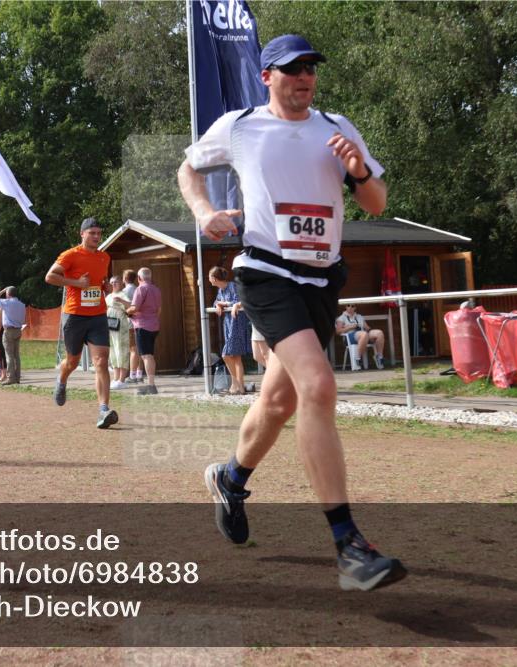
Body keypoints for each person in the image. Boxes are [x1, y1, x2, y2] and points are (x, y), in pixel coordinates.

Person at [177, 34, 405, 591]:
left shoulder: (337, 127)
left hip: (322, 280)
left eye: (311, 68)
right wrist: (204, 212)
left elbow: (376, 201)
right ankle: (349, 545)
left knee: (279, 402)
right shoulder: (240, 126)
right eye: (292, 69)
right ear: (267, 77)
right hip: (266, 273)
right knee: (318, 387)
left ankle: (230, 479)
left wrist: (359, 171)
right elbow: (189, 169)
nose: (305, 77)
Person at [44, 217, 119, 429]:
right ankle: (62, 380)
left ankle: (103, 410)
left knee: (101, 362)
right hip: (74, 316)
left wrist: (105, 287)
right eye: (92, 233)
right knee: (73, 362)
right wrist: (75, 283)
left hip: (97, 315)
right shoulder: (70, 255)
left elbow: (99, 281)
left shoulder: (104, 257)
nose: (96, 236)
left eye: (99, 233)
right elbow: (49, 277)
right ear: (82, 234)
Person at [209, 266, 249, 394]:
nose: (209, 280)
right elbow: (217, 302)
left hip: (236, 322)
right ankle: (239, 386)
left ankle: (236, 384)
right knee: (235, 356)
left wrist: (224, 304)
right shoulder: (221, 290)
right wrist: (218, 304)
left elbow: (239, 301)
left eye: (209, 277)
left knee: (226, 355)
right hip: (228, 323)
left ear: (214, 278)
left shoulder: (232, 286)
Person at [127, 267, 162, 395]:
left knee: (146, 356)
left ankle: (151, 386)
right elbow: (159, 310)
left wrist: (127, 311)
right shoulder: (156, 289)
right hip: (154, 325)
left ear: (139, 278)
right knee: (149, 355)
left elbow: (134, 308)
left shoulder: (140, 289)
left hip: (142, 326)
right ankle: (151, 384)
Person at [0, 286, 26, 385]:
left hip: (8, 331)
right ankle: (17, 377)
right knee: (16, 355)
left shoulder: (6, 302)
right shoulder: (22, 305)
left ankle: (11, 377)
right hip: (18, 330)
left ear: (7, 294)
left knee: (9, 355)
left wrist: (3, 290)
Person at [335, 304, 385, 370]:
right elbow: (338, 331)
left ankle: (379, 357)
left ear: (355, 308)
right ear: (345, 307)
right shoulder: (341, 318)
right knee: (363, 334)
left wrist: (370, 331)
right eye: (348, 305)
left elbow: (367, 328)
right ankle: (357, 358)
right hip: (349, 337)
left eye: (352, 306)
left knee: (379, 333)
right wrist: (350, 327)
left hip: (362, 334)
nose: (350, 307)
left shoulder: (359, 317)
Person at [105, 275, 132, 389]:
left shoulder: (123, 294)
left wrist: (121, 301)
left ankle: (122, 379)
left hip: (120, 325)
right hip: (110, 325)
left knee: (121, 350)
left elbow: (131, 306)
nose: (113, 284)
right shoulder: (109, 296)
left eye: (115, 282)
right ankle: (116, 378)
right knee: (113, 351)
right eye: (111, 282)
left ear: (121, 283)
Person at [122, 269, 143, 383]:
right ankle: (139, 374)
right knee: (138, 349)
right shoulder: (138, 289)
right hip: (140, 322)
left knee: (133, 349)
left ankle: (132, 376)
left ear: (125, 278)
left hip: (130, 323)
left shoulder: (125, 291)